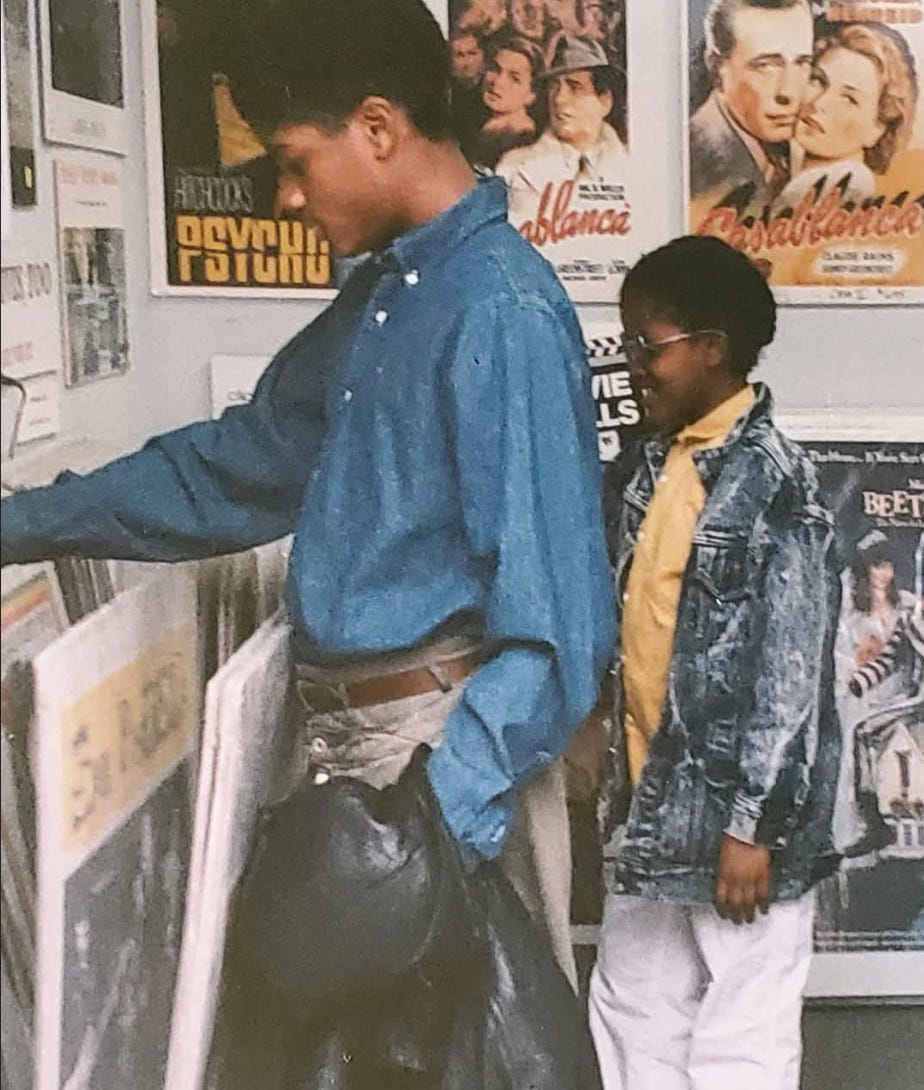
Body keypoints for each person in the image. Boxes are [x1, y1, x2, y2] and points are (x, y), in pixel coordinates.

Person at [1, 0, 612, 989]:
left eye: (294, 161)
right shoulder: (390, 297)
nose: (286, 198)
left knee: (455, 1048)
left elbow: (555, 637)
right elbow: (232, 467)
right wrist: (20, 523)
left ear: (377, 127)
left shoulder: (501, 307)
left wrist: (424, 829)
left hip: (442, 766)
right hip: (357, 752)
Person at [588, 235, 841, 1090]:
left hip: (739, 828)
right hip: (653, 810)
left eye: (648, 345)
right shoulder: (646, 468)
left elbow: (790, 676)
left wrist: (752, 829)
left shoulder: (776, 482)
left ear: (712, 349)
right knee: (633, 1015)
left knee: (742, 1037)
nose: (634, 365)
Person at [776, 20, 920, 211]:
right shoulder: (790, 176)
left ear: (878, 129)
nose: (819, 103)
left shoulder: (835, 187)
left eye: (849, 99)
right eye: (818, 79)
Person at [689, 0, 814, 204]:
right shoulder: (701, 170)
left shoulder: (793, 150)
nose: (789, 92)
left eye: (802, 63)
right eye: (766, 66)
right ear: (717, 69)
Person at [496, 34, 626, 218]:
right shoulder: (513, 167)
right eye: (553, 87)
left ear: (605, 101)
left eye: (575, 87)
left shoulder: (632, 166)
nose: (558, 99)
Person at [467, 35, 544, 168]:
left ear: (531, 95)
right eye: (495, 69)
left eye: (514, 79)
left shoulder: (522, 141)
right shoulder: (480, 123)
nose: (497, 82)